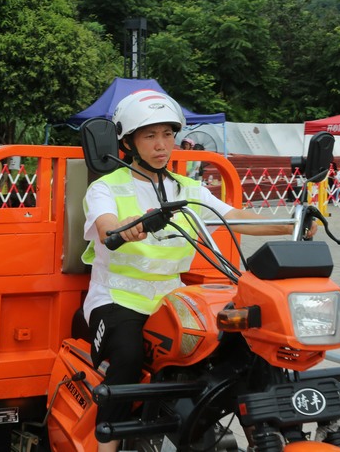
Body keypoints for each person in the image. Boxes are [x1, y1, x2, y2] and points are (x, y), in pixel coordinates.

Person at [81, 89, 316, 452]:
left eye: (167, 134)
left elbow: (233, 217)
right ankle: (106, 445)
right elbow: (106, 226)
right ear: (128, 141)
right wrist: (126, 227)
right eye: (150, 135)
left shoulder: (188, 189)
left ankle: (264, 433)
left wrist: (290, 223)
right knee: (126, 358)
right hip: (117, 297)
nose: (161, 144)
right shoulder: (105, 188)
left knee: (244, 346)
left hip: (173, 299)